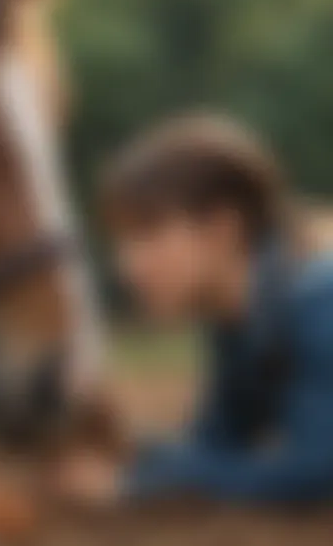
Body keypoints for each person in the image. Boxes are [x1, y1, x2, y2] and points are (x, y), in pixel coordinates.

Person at [75, 112, 333, 504]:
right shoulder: (240, 322)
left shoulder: (317, 305)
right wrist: (122, 442)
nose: (126, 264)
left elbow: (316, 472)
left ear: (223, 229)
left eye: (147, 234)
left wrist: (136, 486)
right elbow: (217, 446)